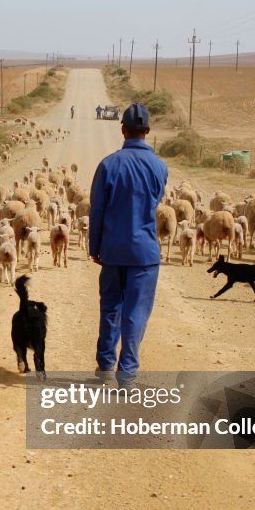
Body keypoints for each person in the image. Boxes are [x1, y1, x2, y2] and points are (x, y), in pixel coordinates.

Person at [88, 103, 168, 384]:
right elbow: (155, 202)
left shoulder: (109, 164)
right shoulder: (160, 167)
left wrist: (94, 247)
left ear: (123, 129)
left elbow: (96, 209)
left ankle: (106, 365)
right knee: (136, 311)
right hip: (144, 253)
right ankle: (127, 373)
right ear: (147, 130)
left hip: (112, 249)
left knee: (110, 306)